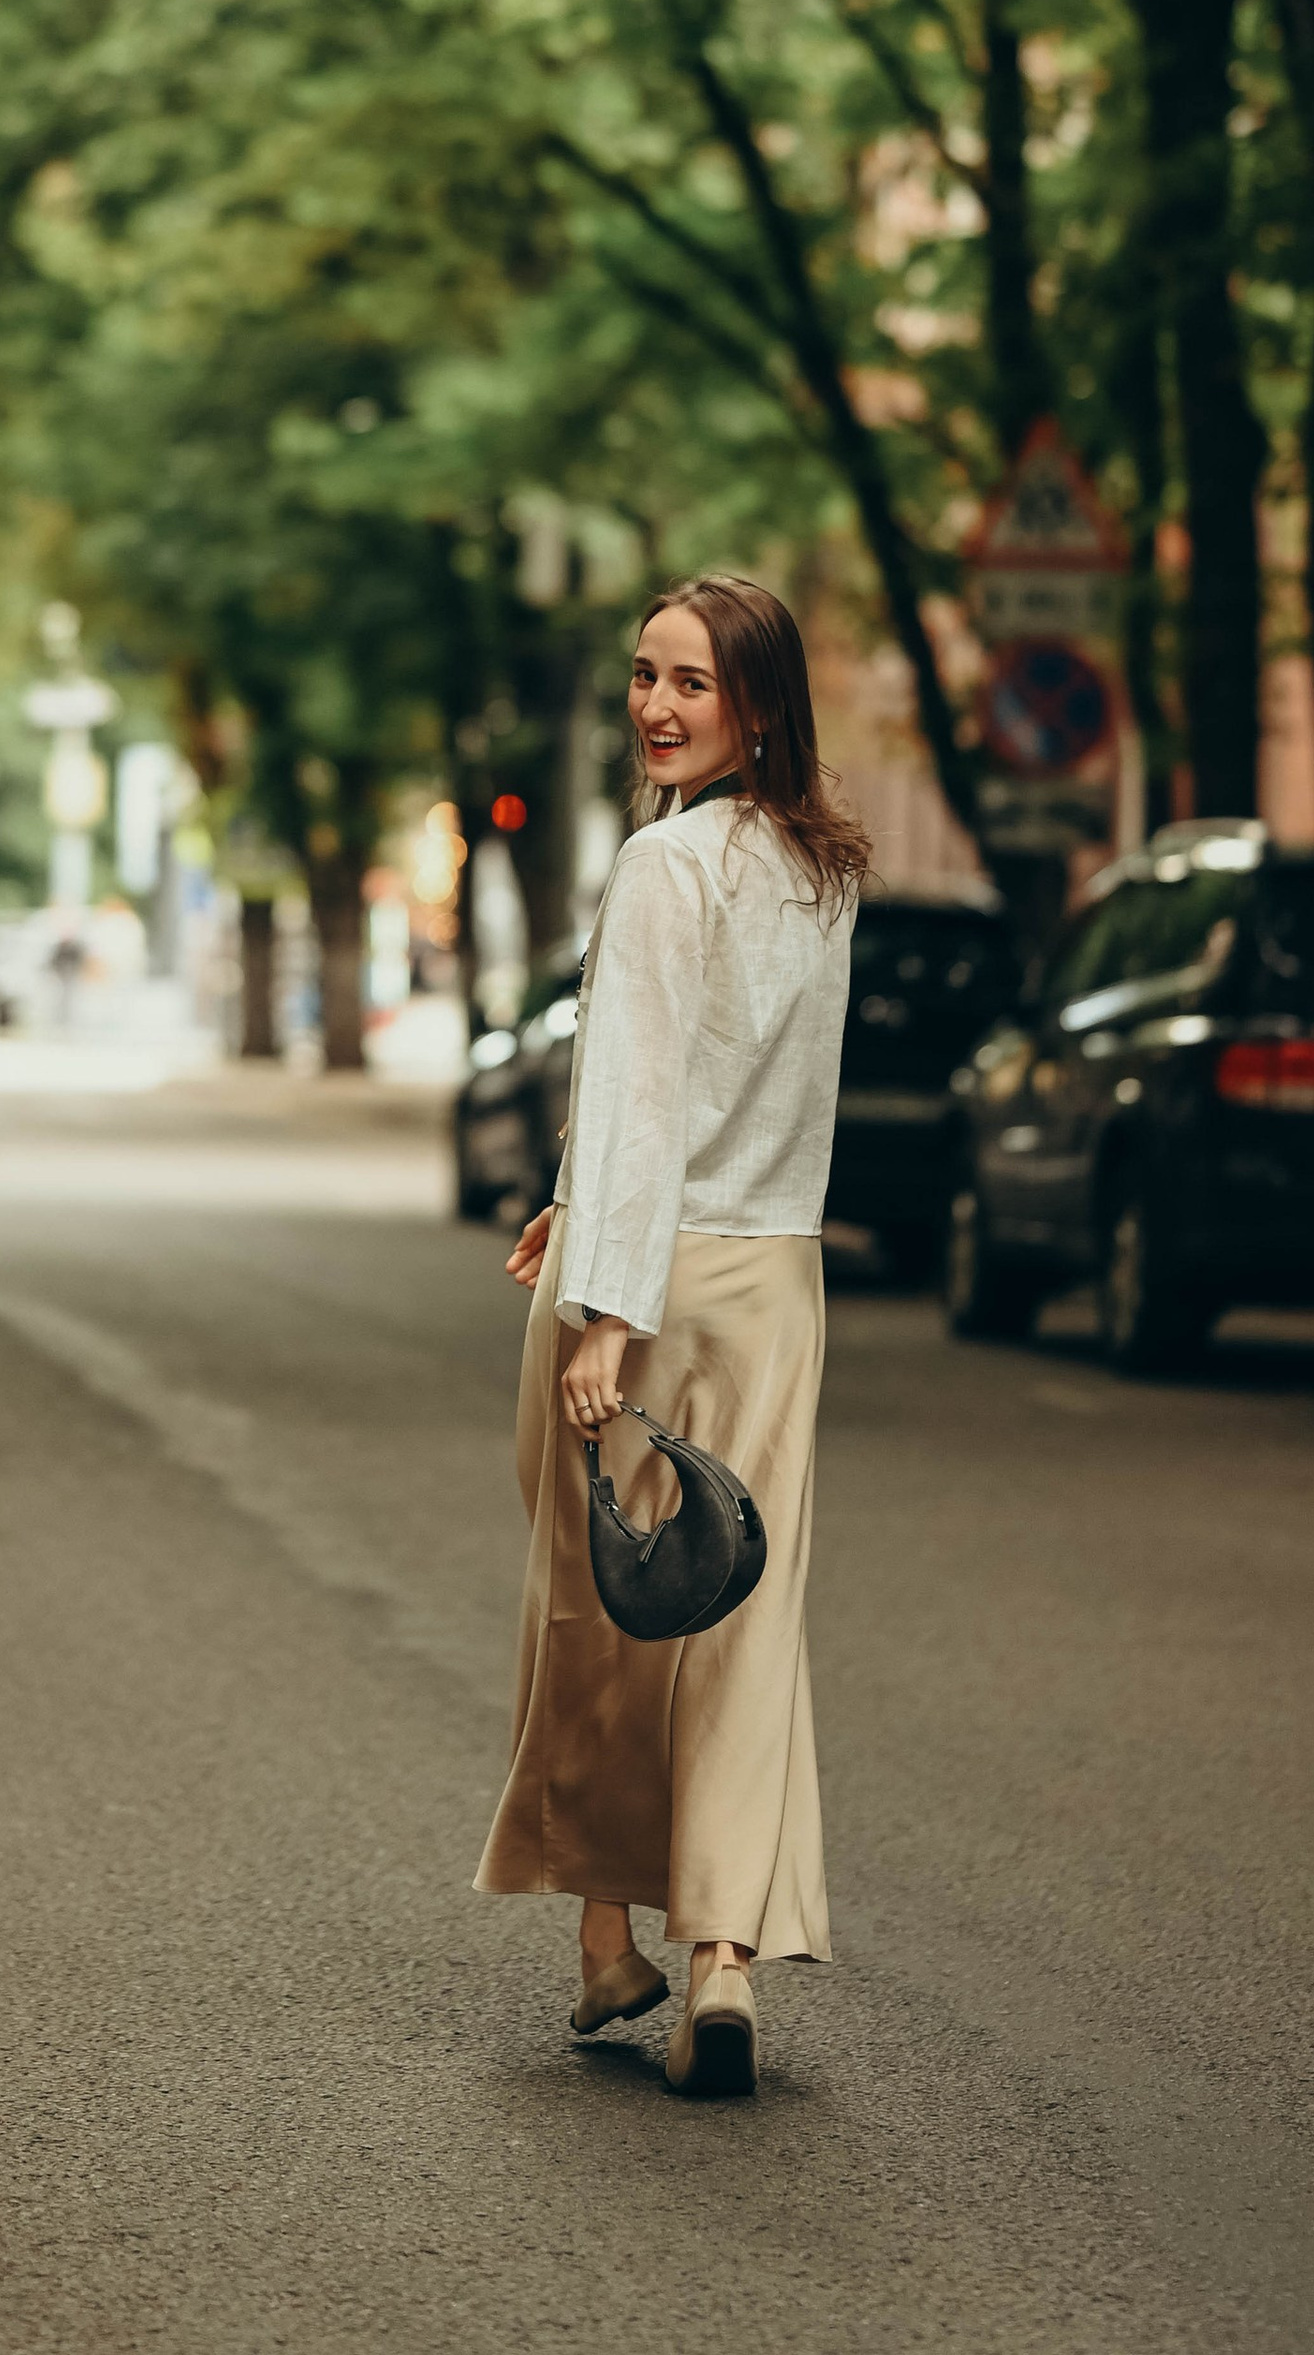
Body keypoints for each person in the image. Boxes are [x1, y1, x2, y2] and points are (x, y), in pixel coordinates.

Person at [474, 571, 865, 2098]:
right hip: (774, 1285)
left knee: (599, 1603)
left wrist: (604, 1308)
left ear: (757, 704)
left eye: (691, 682)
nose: (654, 705)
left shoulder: (663, 863)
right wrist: (573, 1205)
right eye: (645, 675)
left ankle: (604, 1944)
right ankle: (725, 1963)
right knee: (744, 1617)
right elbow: (734, 1102)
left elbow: (643, 1096)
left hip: (645, 1285)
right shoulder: (821, 870)